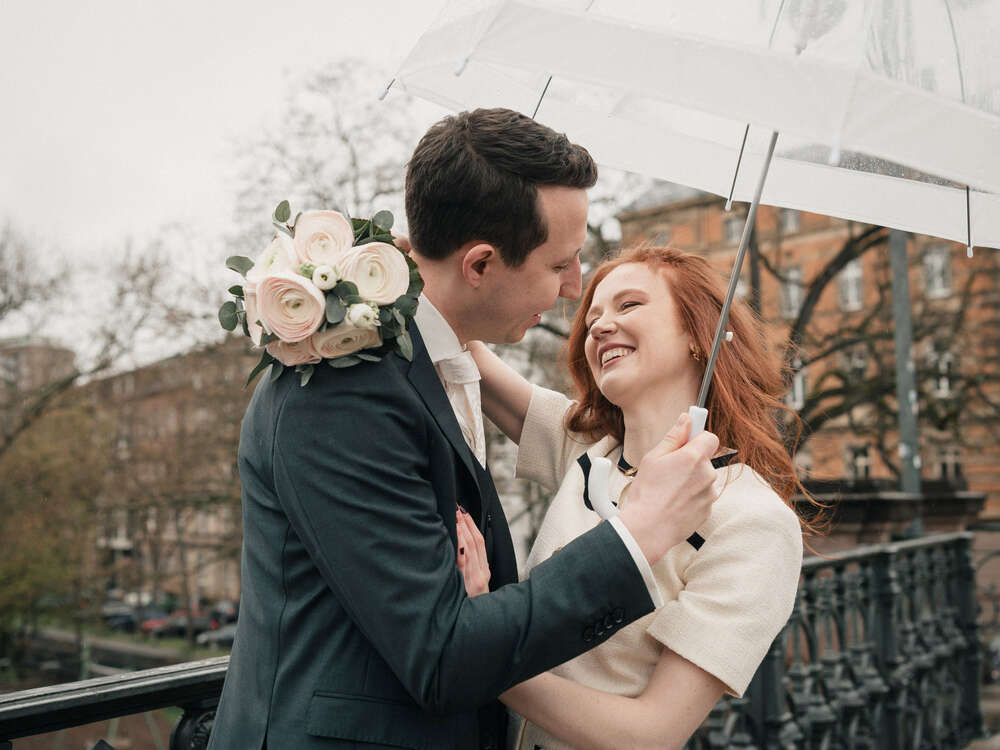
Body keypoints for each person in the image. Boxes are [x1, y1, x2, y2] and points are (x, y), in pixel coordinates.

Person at [207, 109, 723, 750]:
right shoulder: (345, 390)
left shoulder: (433, 354)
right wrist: (637, 536)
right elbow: (441, 655)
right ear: (480, 264)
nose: (575, 290)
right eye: (559, 264)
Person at [459, 245, 824, 749]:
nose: (600, 326)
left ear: (699, 334)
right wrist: (408, 272)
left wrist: (477, 651)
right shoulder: (590, 451)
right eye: (592, 318)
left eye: (629, 305)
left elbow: (651, 733)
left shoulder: (752, 520)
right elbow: (463, 353)